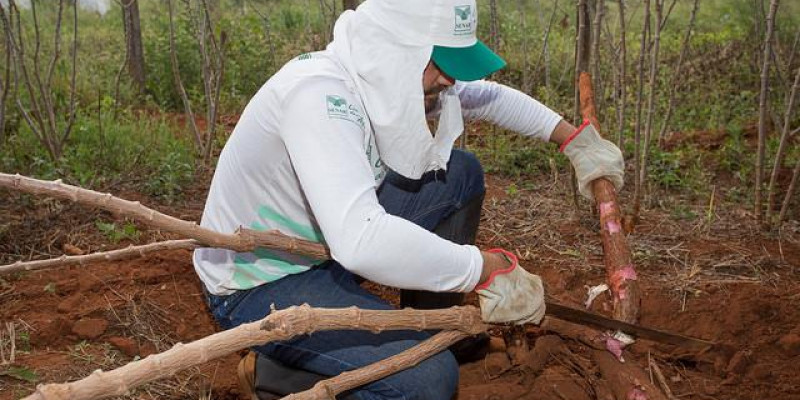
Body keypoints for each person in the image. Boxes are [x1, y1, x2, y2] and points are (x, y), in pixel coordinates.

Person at [193, 0, 624, 398]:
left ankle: (437, 332)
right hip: (259, 280)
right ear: (396, 50)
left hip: (323, 243)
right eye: (440, 63)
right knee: (431, 381)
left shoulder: (390, 80)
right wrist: (482, 270)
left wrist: (574, 140)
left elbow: (487, 98)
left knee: (460, 175)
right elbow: (360, 240)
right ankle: (277, 376)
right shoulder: (319, 98)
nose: (450, 78)